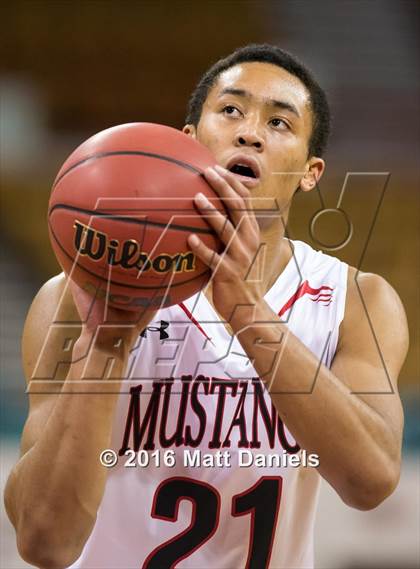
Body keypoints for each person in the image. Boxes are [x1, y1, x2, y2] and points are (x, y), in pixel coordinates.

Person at [4, 44, 408, 569]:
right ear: (189, 140)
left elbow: (370, 480)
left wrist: (244, 307)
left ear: (311, 173)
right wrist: (104, 344)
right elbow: (44, 541)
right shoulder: (71, 297)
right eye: (231, 110)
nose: (250, 132)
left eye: (280, 122)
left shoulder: (357, 300)